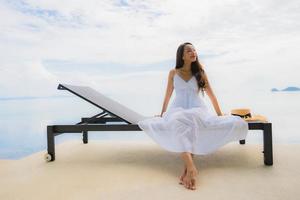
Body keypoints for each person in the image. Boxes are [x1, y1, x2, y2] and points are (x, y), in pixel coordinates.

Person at [137, 42, 248, 190]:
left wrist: (220, 114)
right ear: (182, 55)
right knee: (178, 120)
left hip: (197, 108)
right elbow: (168, 95)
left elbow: (211, 95)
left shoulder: (200, 72)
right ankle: (190, 168)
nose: (193, 52)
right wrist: (163, 114)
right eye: (189, 51)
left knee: (192, 121)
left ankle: (187, 169)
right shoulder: (173, 73)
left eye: (194, 50)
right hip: (177, 108)